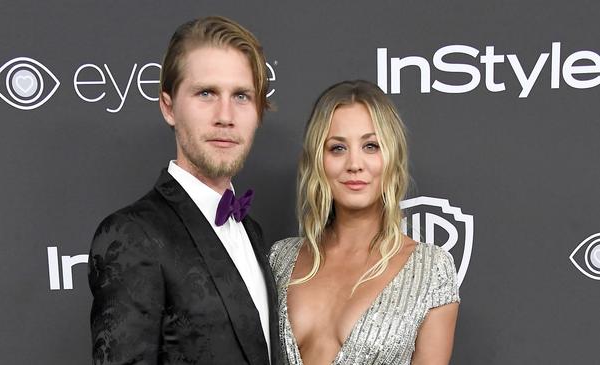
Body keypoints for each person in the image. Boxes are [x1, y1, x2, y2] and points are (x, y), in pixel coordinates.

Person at [88, 16, 280, 365]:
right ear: (168, 107)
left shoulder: (251, 231)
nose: (225, 116)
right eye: (206, 93)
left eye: (241, 96)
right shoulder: (132, 236)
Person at [270, 80, 460, 365]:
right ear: (317, 160)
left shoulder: (431, 270)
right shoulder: (280, 258)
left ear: (391, 157)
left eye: (371, 146)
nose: (354, 163)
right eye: (337, 148)